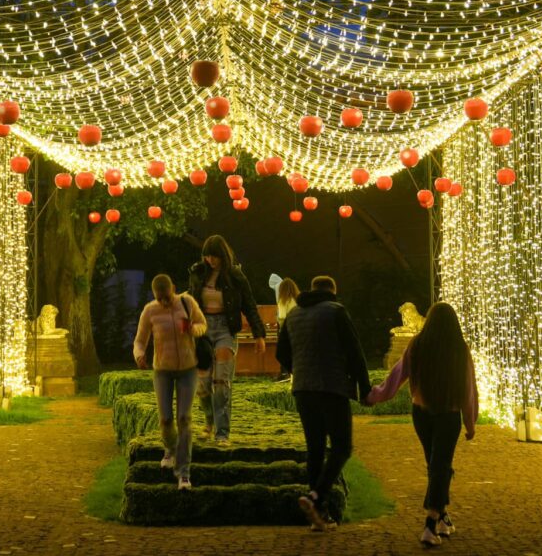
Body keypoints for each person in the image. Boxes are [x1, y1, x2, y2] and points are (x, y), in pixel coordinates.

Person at [364, 301, 478, 547]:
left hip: (421, 412)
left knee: (436, 465)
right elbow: (469, 388)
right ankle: (430, 523)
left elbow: (397, 375)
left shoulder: (418, 345)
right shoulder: (459, 348)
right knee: (440, 466)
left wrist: (374, 396)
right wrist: (470, 421)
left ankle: (443, 518)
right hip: (449, 414)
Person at [276, 275, 371, 532]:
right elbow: (355, 351)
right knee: (342, 447)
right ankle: (316, 496)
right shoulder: (336, 311)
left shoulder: (294, 314)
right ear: (332, 291)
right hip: (332, 387)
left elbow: (280, 353)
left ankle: (319, 515)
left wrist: (299, 368)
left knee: (315, 449)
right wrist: (365, 388)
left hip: (303, 389)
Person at [187, 234, 267, 447]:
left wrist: (259, 334)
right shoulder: (197, 273)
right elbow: (190, 301)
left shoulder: (235, 276)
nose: (210, 261)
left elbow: (249, 305)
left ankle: (222, 432)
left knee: (222, 383)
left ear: (223, 255)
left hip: (225, 329)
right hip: (202, 330)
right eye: (207, 256)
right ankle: (209, 422)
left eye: (214, 257)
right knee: (202, 385)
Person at [133, 273, 207, 490]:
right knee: (166, 418)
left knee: (184, 418)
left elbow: (203, 323)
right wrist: (139, 355)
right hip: (162, 370)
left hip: (188, 369)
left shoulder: (187, 302)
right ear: (154, 295)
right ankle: (170, 448)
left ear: (173, 288)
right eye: (159, 298)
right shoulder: (150, 310)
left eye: (166, 296)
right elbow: (139, 340)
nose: (164, 302)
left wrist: (194, 330)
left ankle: (184, 472)